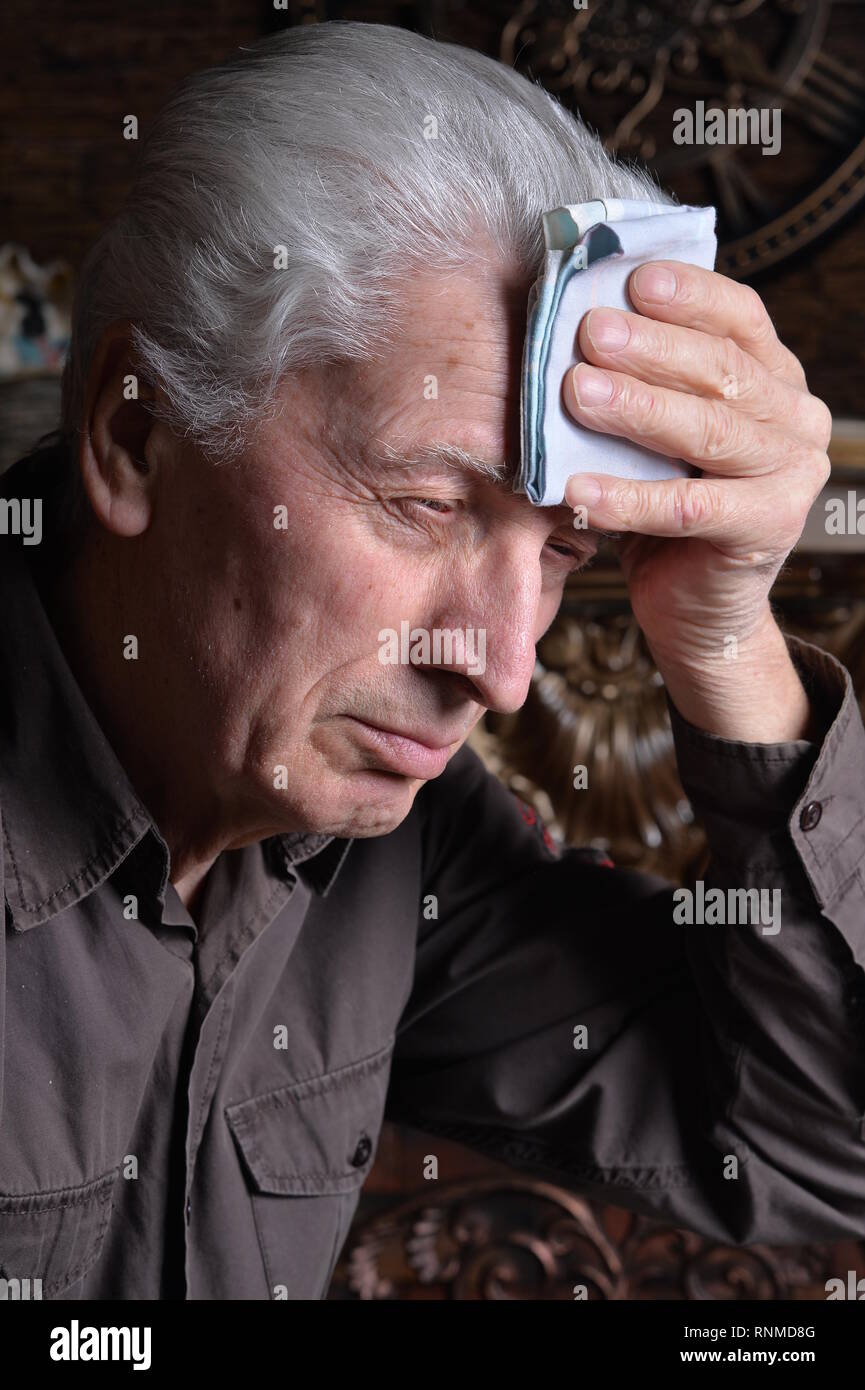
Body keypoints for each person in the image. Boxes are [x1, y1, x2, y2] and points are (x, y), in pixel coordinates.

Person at [1, 21, 862, 1301]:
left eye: (565, 548)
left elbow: (808, 1149)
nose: (503, 669)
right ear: (138, 432)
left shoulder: (389, 851)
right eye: (425, 505)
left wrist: (728, 647)